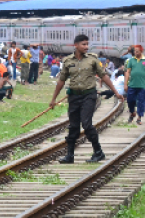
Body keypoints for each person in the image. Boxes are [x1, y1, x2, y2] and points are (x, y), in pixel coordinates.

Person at [49, 34, 122, 164]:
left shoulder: (92, 59)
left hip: (89, 95)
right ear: (76, 45)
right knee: (73, 126)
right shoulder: (67, 61)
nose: (86, 47)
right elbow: (61, 81)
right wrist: (53, 99)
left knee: (87, 124)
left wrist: (116, 92)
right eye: (83, 44)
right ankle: (70, 155)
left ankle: (98, 152)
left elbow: (104, 76)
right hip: (73, 96)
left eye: (87, 44)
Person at [124, 45, 145, 125]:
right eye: (134, 51)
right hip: (132, 85)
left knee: (141, 102)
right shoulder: (131, 60)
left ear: (141, 51)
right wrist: (125, 84)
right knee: (130, 100)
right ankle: (132, 112)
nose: (135, 53)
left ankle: (139, 118)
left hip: (142, 85)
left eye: (137, 51)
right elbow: (127, 72)